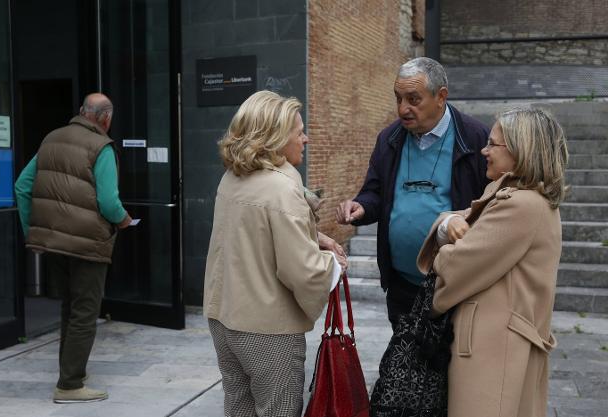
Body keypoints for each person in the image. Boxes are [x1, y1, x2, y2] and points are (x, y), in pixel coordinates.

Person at [416, 107, 568, 417]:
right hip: (497, 345)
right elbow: (462, 219)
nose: (484, 151)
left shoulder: (519, 206)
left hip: (494, 351)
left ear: (519, 149)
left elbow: (457, 267)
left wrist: (444, 248)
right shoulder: (516, 198)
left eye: (492, 144)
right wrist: (446, 225)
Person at [203, 90, 346, 417]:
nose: (305, 138)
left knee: (238, 407)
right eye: (299, 132)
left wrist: (315, 236)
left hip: (224, 318)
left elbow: (251, 230)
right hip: (268, 329)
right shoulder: (282, 189)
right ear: (277, 139)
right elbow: (304, 272)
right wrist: (334, 266)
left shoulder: (233, 177)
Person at [335, 57, 489, 330]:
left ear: (441, 96)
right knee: (403, 370)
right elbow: (375, 193)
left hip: (454, 287)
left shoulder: (475, 139)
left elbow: (489, 208)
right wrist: (361, 207)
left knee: (452, 371)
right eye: (398, 98)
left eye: (413, 99)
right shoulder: (389, 139)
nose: (403, 109)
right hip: (402, 289)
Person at [15, 93, 131, 403]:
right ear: (105, 119)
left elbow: (22, 186)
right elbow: (108, 202)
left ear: (82, 112)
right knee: (84, 311)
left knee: (69, 307)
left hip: (54, 244)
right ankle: (70, 384)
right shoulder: (102, 147)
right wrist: (123, 220)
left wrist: (34, 232)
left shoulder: (51, 138)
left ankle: (71, 370)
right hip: (87, 245)